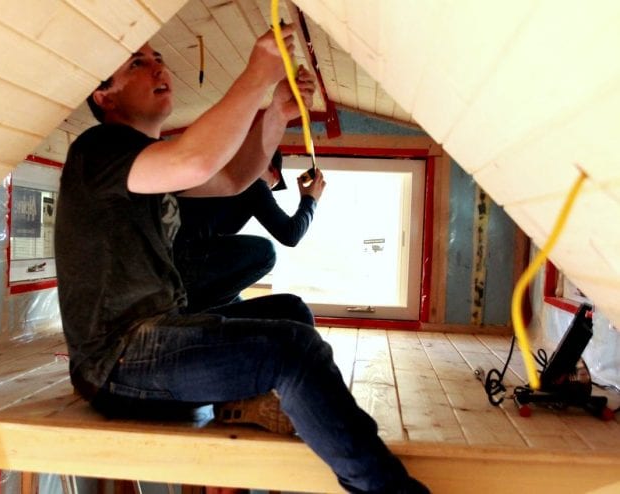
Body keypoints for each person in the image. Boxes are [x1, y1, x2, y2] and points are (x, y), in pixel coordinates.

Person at [54, 25, 428, 493]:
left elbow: (232, 176)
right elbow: (197, 160)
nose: (158, 65)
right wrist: (256, 76)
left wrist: (274, 113)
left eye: (156, 57)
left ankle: (258, 406)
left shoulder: (144, 159)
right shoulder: (97, 148)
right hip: (119, 360)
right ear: (103, 95)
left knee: (289, 311)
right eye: (136, 62)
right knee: (294, 350)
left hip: (157, 333)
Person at [175, 149, 326, 312]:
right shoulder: (253, 183)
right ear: (273, 172)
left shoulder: (226, 176)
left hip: (179, 260)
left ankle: (201, 311)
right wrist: (310, 200)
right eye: (273, 185)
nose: (270, 189)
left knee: (238, 303)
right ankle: (194, 310)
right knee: (266, 253)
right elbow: (291, 235)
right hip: (186, 262)